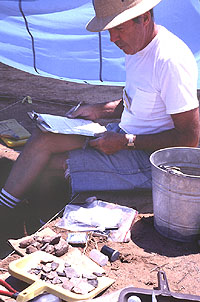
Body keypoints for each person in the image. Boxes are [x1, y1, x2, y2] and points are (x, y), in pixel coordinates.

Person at [0, 0, 199, 226]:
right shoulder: (136, 45)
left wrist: (126, 142)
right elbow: (138, 102)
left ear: (144, 18)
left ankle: (28, 220)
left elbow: (189, 139)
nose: (113, 38)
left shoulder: (169, 60)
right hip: (124, 136)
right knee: (42, 137)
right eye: (110, 30)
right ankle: (5, 209)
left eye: (119, 28)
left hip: (149, 161)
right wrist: (97, 110)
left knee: (52, 164)